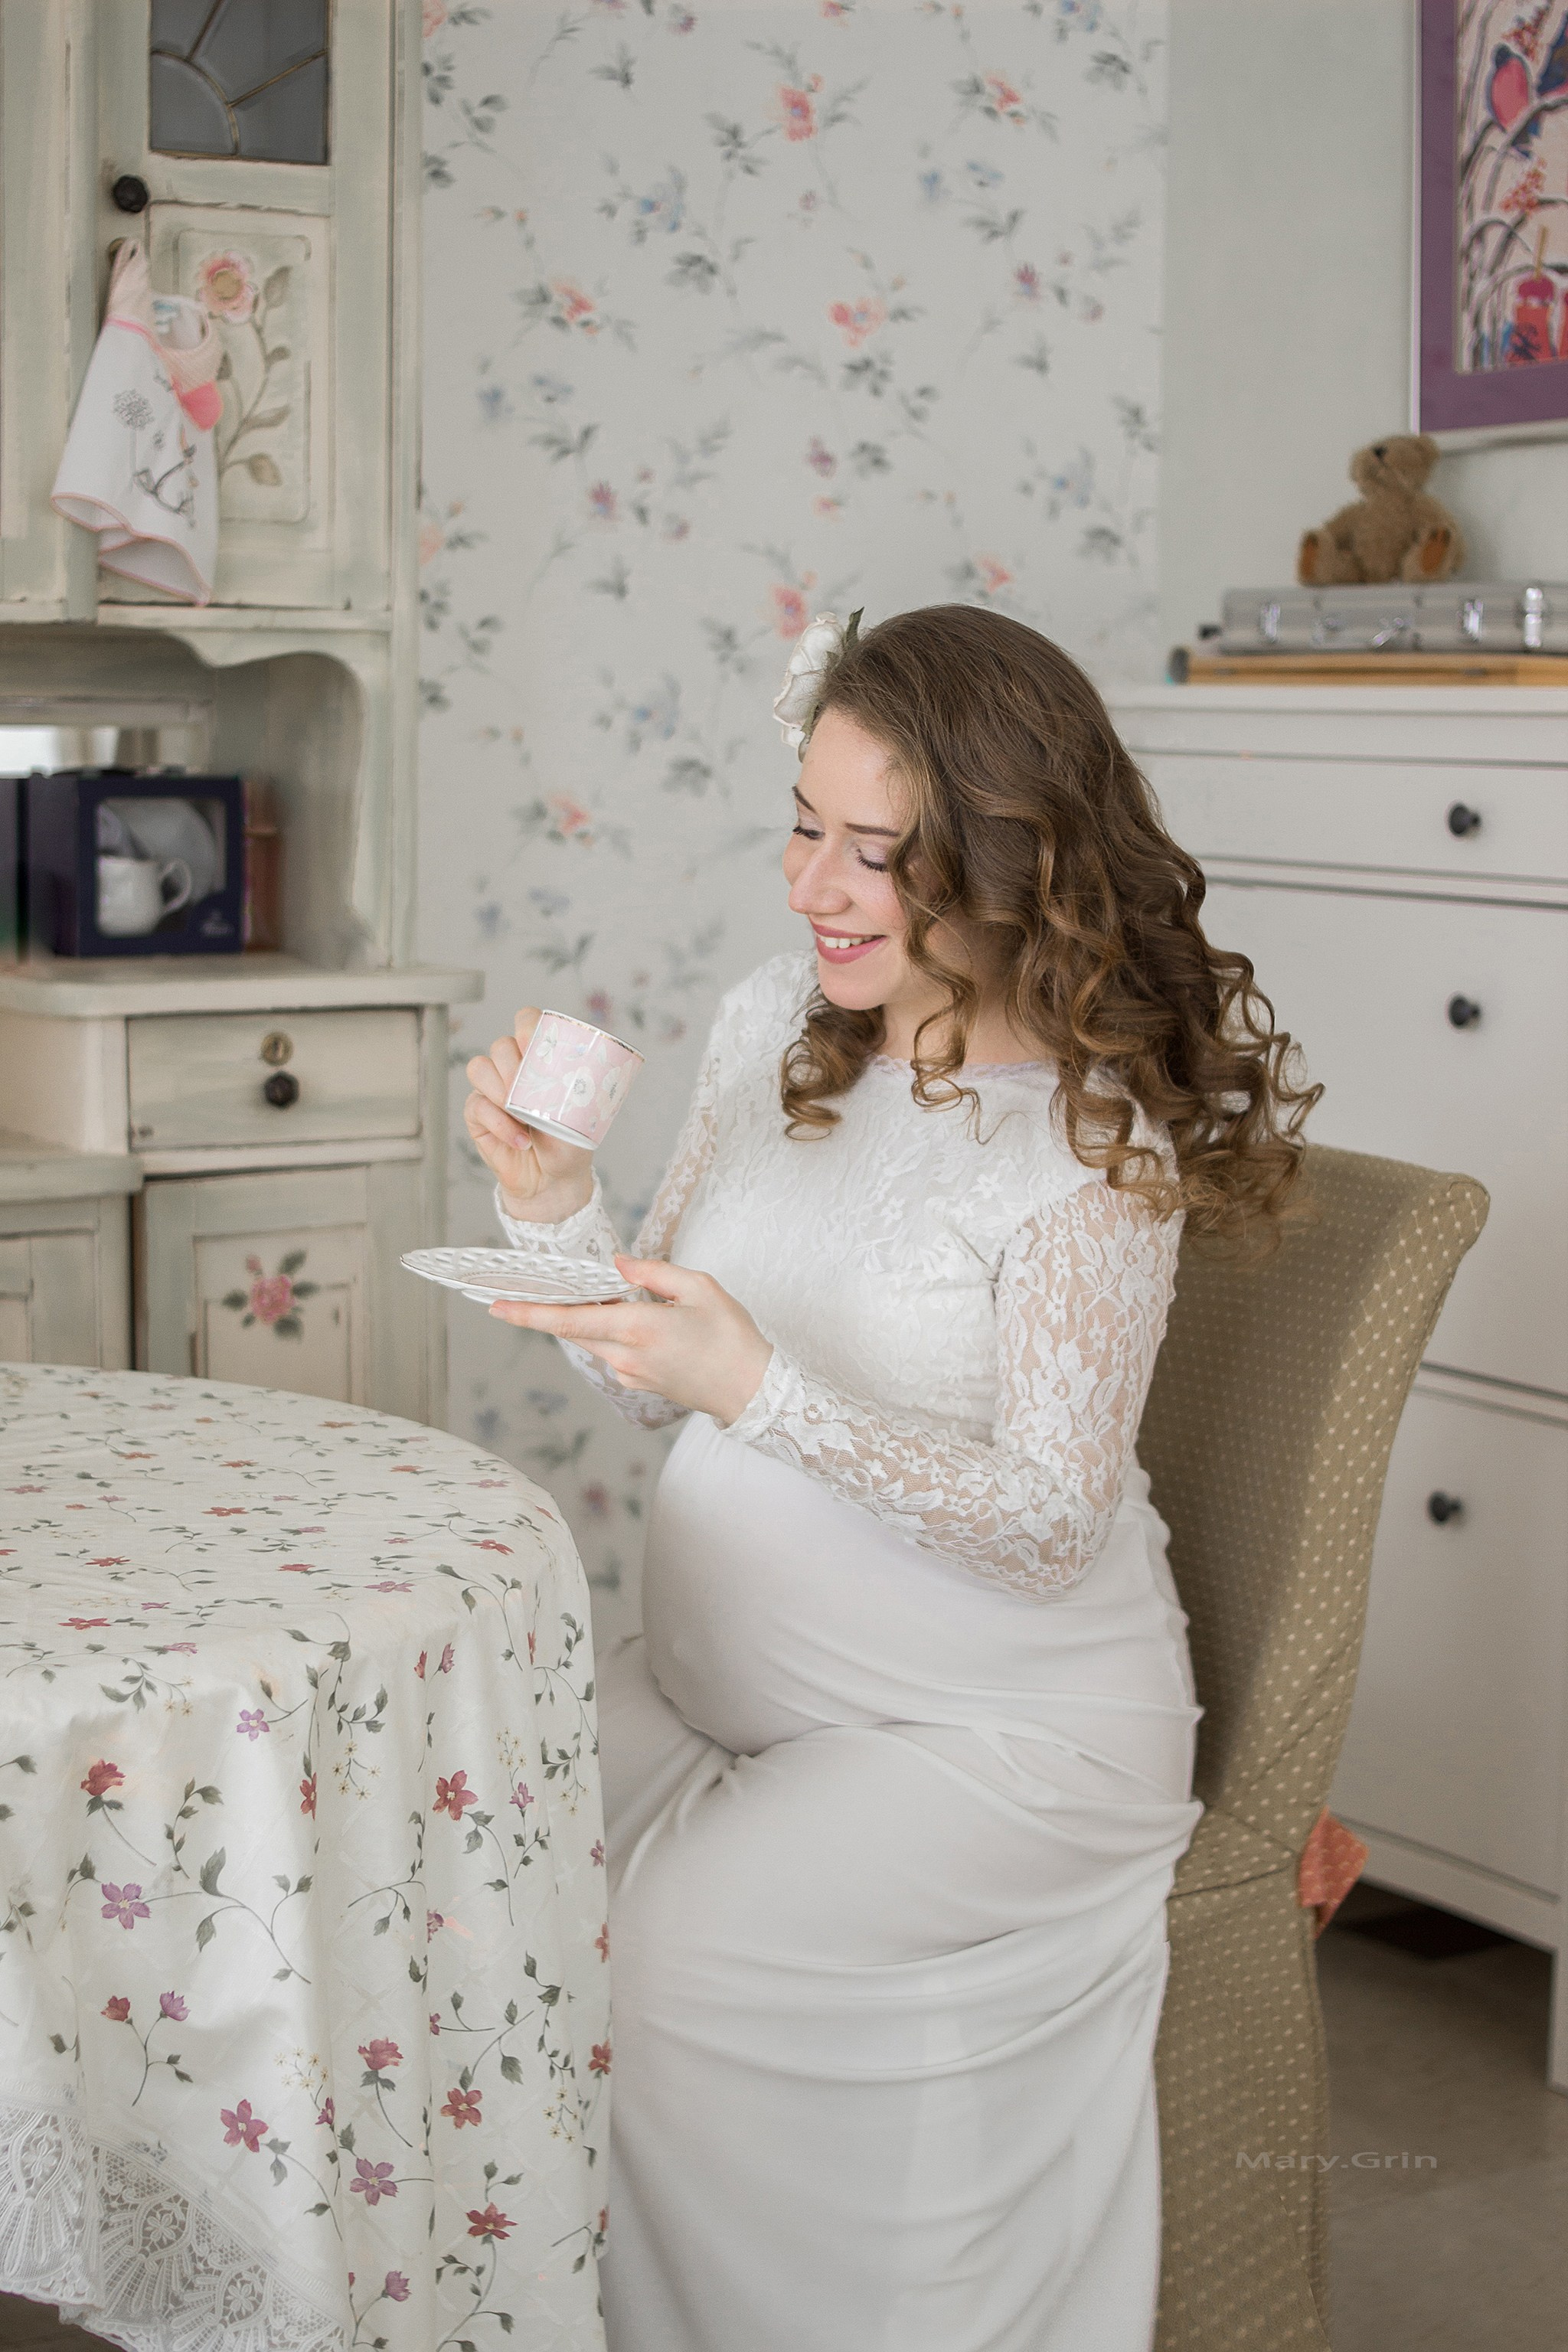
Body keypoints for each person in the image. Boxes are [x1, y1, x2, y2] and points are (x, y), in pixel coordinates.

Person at [463, 605, 1316, 2352]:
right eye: (803, 825)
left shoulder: (1088, 1152)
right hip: (743, 1698)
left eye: (880, 853)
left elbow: (1045, 1524)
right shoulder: (771, 1021)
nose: (816, 888)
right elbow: (651, 1375)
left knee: (679, 1969)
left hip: (1002, 1732)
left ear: (1011, 865)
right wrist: (554, 1211)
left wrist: (761, 1392)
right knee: (478, 1848)